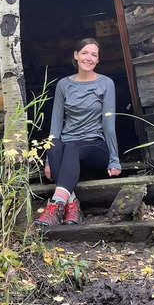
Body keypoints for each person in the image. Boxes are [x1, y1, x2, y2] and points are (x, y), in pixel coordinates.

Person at [35, 38, 121, 227]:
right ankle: (72, 204)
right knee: (55, 144)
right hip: (68, 149)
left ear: (98, 60)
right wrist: (49, 160)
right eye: (85, 53)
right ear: (76, 55)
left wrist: (114, 159)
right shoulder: (63, 85)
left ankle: (55, 205)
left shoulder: (106, 83)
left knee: (71, 146)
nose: (89, 58)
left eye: (94, 55)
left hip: (95, 146)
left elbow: (108, 125)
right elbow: (56, 124)